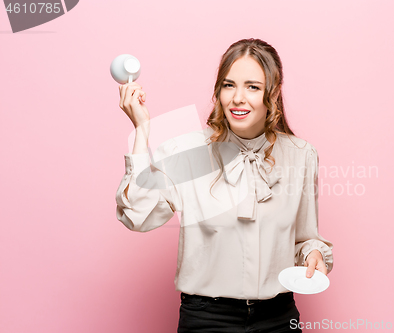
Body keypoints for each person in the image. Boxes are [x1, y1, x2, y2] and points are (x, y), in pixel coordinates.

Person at [115, 38, 333, 333]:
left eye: (253, 87)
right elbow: (137, 215)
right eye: (229, 85)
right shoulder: (187, 152)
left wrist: (313, 255)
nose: (238, 98)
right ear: (218, 91)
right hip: (207, 319)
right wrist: (141, 129)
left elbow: (305, 238)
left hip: (279, 317)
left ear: (274, 92)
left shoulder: (301, 155)